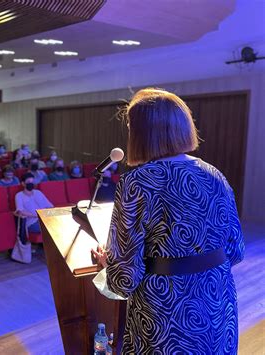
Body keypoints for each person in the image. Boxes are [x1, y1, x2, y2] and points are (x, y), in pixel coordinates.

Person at [91, 88, 244, 354]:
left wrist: (107, 264)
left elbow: (125, 279)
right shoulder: (214, 174)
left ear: (141, 133)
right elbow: (236, 250)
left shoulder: (136, 182)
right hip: (219, 304)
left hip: (165, 315)